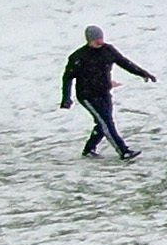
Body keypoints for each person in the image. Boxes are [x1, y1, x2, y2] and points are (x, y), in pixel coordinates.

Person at [60, 25, 155, 160]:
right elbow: (67, 78)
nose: (99, 42)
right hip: (87, 95)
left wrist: (143, 73)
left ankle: (89, 150)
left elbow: (125, 63)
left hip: (103, 92)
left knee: (104, 122)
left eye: (101, 38)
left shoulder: (108, 50)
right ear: (89, 40)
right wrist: (66, 98)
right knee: (106, 123)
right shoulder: (78, 57)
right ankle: (123, 151)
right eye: (95, 39)